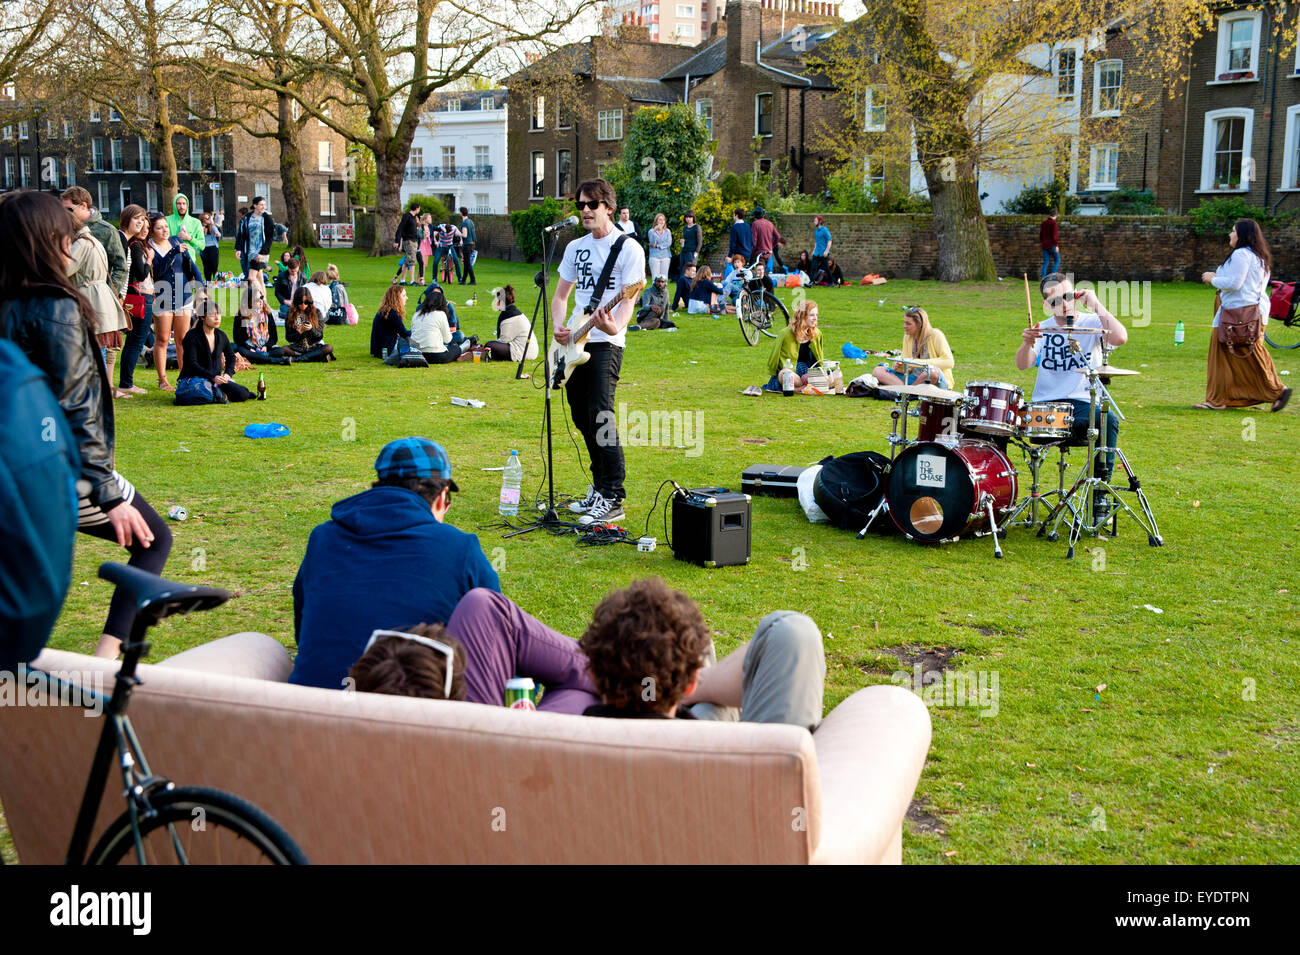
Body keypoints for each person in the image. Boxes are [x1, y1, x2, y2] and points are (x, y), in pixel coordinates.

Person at [0, 190, 172, 660]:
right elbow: (78, 404)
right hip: (60, 468)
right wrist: (107, 492)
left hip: (17, 467)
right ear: (43, 240)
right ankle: (105, 658)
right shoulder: (55, 307)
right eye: (65, 236)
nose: (70, 245)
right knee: (154, 539)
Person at [348, 578, 827, 729]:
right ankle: (673, 682)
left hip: (585, 728)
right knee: (789, 632)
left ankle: (660, 682)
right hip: (705, 752)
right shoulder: (751, 766)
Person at [288, 437, 501, 690]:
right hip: (412, 711)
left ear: (378, 487)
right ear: (443, 497)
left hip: (312, 711)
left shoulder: (322, 538)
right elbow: (496, 646)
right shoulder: (460, 547)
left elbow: (303, 631)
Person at [581, 578, 826, 728]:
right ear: (689, 685)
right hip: (710, 755)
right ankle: (693, 681)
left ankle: (687, 684)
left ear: (591, 673)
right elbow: (790, 635)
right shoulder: (732, 758)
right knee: (793, 632)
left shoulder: (559, 741)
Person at [553, 178, 646, 526]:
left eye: (592, 205)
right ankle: (598, 486)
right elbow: (560, 296)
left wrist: (612, 325)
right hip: (574, 341)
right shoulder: (575, 247)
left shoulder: (629, 249)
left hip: (606, 343)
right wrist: (560, 327)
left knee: (601, 416)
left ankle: (613, 496)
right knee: (580, 415)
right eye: (581, 205)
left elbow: (627, 304)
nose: (586, 211)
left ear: (608, 206)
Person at [1016, 272, 1128, 503]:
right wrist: (1027, 343)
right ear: (1047, 304)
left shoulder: (1093, 322)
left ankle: (1100, 493)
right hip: (1046, 406)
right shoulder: (1042, 328)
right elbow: (1022, 364)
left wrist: (1095, 303)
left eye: (1068, 296)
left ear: (1076, 294)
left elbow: (1120, 337)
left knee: (1107, 421)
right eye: (1056, 301)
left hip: (1082, 404)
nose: (1064, 304)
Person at [1197, 218, 1291, 412]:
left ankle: (1273, 390)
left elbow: (1234, 283)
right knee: (1245, 355)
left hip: (1239, 314)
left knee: (1230, 355)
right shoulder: (1259, 256)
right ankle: (1230, 397)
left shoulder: (1241, 254)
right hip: (1250, 313)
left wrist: (1213, 279)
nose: (1230, 235)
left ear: (1242, 235)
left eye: (1233, 231)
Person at [66, 211, 131, 402]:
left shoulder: (81, 243)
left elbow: (63, 269)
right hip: (97, 299)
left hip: (90, 300)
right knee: (97, 350)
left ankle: (95, 395)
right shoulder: (91, 240)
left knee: (93, 352)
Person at [148, 212, 201, 390]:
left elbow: (190, 264)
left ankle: (184, 376)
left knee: (182, 339)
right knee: (162, 339)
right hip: (162, 296)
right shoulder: (149, 247)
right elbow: (159, 270)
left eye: (165, 226)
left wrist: (200, 286)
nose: (164, 230)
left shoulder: (176, 241)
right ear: (152, 230)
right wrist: (172, 252)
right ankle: (162, 379)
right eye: (159, 227)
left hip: (183, 294)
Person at [178, 299, 253, 403]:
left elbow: (231, 357)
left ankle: (220, 394)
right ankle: (219, 395)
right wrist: (212, 377)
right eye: (212, 315)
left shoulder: (221, 335)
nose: (217, 318)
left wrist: (227, 374)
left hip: (216, 380)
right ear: (202, 317)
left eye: (219, 314)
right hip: (195, 379)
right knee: (203, 391)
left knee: (243, 393)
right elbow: (192, 364)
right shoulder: (192, 336)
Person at [61, 187, 127, 300]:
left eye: (69, 209)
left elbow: (120, 267)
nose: (65, 214)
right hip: (69, 297)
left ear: (83, 206)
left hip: (96, 297)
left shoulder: (106, 230)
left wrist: (109, 295)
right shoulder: (63, 228)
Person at [872, 305, 956, 390]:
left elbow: (949, 362)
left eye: (908, 324)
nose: (904, 326)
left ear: (920, 324)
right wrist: (899, 366)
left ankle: (907, 392)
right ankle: (908, 391)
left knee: (931, 372)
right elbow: (907, 365)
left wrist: (916, 362)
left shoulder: (935, 335)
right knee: (878, 370)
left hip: (934, 380)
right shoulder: (908, 337)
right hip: (914, 379)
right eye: (904, 322)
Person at [117, 204, 153, 395]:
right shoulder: (135, 246)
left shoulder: (132, 243)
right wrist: (149, 261)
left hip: (130, 296)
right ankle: (126, 382)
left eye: (145, 224)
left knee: (133, 341)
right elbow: (139, 274)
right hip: (136, 298)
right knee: (136, 341)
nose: (143, 228)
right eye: (138, 220)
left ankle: (126, 381)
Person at [764, 299, 824, 393]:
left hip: (809, 373)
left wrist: (812, 375)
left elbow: (819, 360)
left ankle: (798, 388)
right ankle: (802, 388)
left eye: (816, 315)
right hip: (792, 373)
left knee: (833, 375)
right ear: (802, 316)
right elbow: (774, 357)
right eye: (812, 315)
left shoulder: (817, 334)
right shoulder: (785, 334)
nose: (815, 318)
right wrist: (775, 372)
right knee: (785, 374)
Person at [233, 283, 293, 365]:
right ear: (249, 301)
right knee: (240, 350)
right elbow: (238, 339)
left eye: (261, 297)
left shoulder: (267, 314)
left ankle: (259, 357)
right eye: (257, 300)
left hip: (264, 347)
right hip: (249, 347)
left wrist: (266, 346)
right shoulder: (242, 316)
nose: (261, 301)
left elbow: (274, 337)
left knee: (281, 351)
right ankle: (274, 360)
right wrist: (250, 348)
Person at [410, 285, 466, 363]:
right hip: (437, 355)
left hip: (417, 353)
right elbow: (448, 339)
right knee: (456, 348)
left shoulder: (417, 314)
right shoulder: (440, 314)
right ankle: (468, 344)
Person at [484, 285, 537, 362]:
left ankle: (489, 356)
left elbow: (504, 340)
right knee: (490, 345)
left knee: (489, 345)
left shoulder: (508, 316)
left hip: (523, 352)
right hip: (528, 349)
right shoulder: (512, 312)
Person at [284, 287, 335, 362]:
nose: (303, 305)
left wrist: (311, 329)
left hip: (313, 346)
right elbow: (288, 338)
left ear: (309, 302)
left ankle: (299, 359)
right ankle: (315, 357)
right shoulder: (290, 313)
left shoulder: (316, 312)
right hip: (297, 347)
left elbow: (319, 336)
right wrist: (298, 332)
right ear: (296, 302)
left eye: (306, 302)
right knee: (282, 350)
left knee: (329, 347)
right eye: (300, 302)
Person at [234, 196, 273, 280]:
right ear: (255, 206)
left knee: (251, 278)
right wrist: (238, 249)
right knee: (259, 279)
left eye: (264, 205)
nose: (264, 207)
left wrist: (262, 253)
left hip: (260, 252)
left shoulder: (267, 218)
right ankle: (261, 293)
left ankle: (254, 292)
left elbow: (269, 238)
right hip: (249, 252)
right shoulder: (248, 217)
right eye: (261, 205)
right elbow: (242, 234)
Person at [370, 284, 411, 359]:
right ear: (397, 298)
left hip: (378, 349)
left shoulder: (384, 311)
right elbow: (404, 334)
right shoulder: (393, 314)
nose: (407, 298)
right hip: (387, 350)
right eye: (404, 296)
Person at [166, 193, 204, 269]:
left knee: (191, 280)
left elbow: (202, 246)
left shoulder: (196, 222)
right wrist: (176, 237)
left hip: (190, 262)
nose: (181, 206)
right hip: (173, 262)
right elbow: (161, 241)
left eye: (184, 203)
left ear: (187, 205)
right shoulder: (167, 220)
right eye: (179, 204)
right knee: (178, 280)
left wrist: (189, 238)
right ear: (174, 205)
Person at [394, 201, 421, 285]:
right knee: (412, 260)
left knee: (406, 261)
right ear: (416, 208)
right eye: (419, 209)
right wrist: (397, 241)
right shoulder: (407, 216)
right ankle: (412, 281)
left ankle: (402, 280)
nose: (419, 210)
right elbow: (400, 228)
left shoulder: (414, 217)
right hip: (409, 241)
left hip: (414, 241)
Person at [273, 253, 305, 320]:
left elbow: (306, 293)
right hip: (286, 303)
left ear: (298, 267)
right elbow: (277, 292)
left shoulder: (303, 277)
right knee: (287, 314)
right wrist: (285, 301)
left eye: (296, 271)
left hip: (299, 303)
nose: (294, 273)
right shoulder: (281, 276)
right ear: (288, 267)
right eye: (292, 271)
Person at [646, 212, 672, 281]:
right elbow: (652, 242)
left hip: (665, 256)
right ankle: (655, 292)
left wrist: (658, 246)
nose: (662, 221)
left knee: (664, 277)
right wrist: (655, 232)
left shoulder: (667, 231)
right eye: (660, 219)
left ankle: (663, 292)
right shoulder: (651, 231)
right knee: (655, 278)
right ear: (656, 221)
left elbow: (669, 243)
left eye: (663, 220)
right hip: (654, 257)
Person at [199, 212, 221, 282]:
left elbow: (219, 234)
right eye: (207, 218)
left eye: (209, 217)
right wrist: (202, 232)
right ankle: (208, 282)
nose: (209, 219)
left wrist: (217, 234)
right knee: (206, 266)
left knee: (214, 266)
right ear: (202, 219)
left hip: (213, 247)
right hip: (203, 248)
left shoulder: (212, 226)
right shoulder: (199, 227)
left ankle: (216, 282)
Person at [459, 207, 478, 285]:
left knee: (467, 263)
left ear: (461, 213)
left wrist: (457, 233)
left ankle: (473, 280)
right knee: (466, 263)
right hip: (472, 244)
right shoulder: (471, 221)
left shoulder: (464, 223)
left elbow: (465, 235)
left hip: (467, 244)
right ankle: (463, 280)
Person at [1040, 210, 1060, 280]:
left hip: (1044, 246)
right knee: (1057, 261)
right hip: (1052, 245)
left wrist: (1043, 243)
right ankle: (1051, 277)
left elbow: (1041, 235)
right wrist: (1056, 245)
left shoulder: (1043, 223)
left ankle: (1043, 278)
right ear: (1055, 215)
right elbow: (1054, 236)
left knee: (1046, 262)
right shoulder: (1053, 223)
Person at [811, 215, 832, 279]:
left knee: (826, 268)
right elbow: (817, 242)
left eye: (815, 221)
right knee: (813, 267)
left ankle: (831, 282)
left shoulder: (825, 230)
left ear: (820, 221)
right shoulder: (816, 230)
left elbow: (829, 241)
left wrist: (826, 251)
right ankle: (811, 282)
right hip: (817, 252)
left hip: (823, 252)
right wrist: (814, 250)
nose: (814, 222)